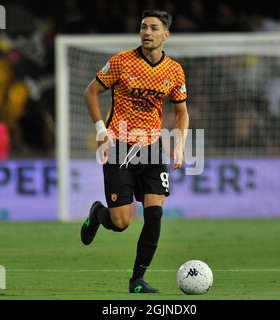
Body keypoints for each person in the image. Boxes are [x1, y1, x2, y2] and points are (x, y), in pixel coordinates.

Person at [81, 9, 189, 293]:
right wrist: (101, 131)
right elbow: (90, 92)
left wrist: (179, 147)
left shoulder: (174, 71)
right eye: (143, 27)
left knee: (154, 214)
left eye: (154, 28)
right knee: (121, 223)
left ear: (166, 35)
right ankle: (98, 214)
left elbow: (181, 113)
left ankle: (137, 280)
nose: (147, 32)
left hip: (152, 149)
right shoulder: (121, 62)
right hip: (119, 147)